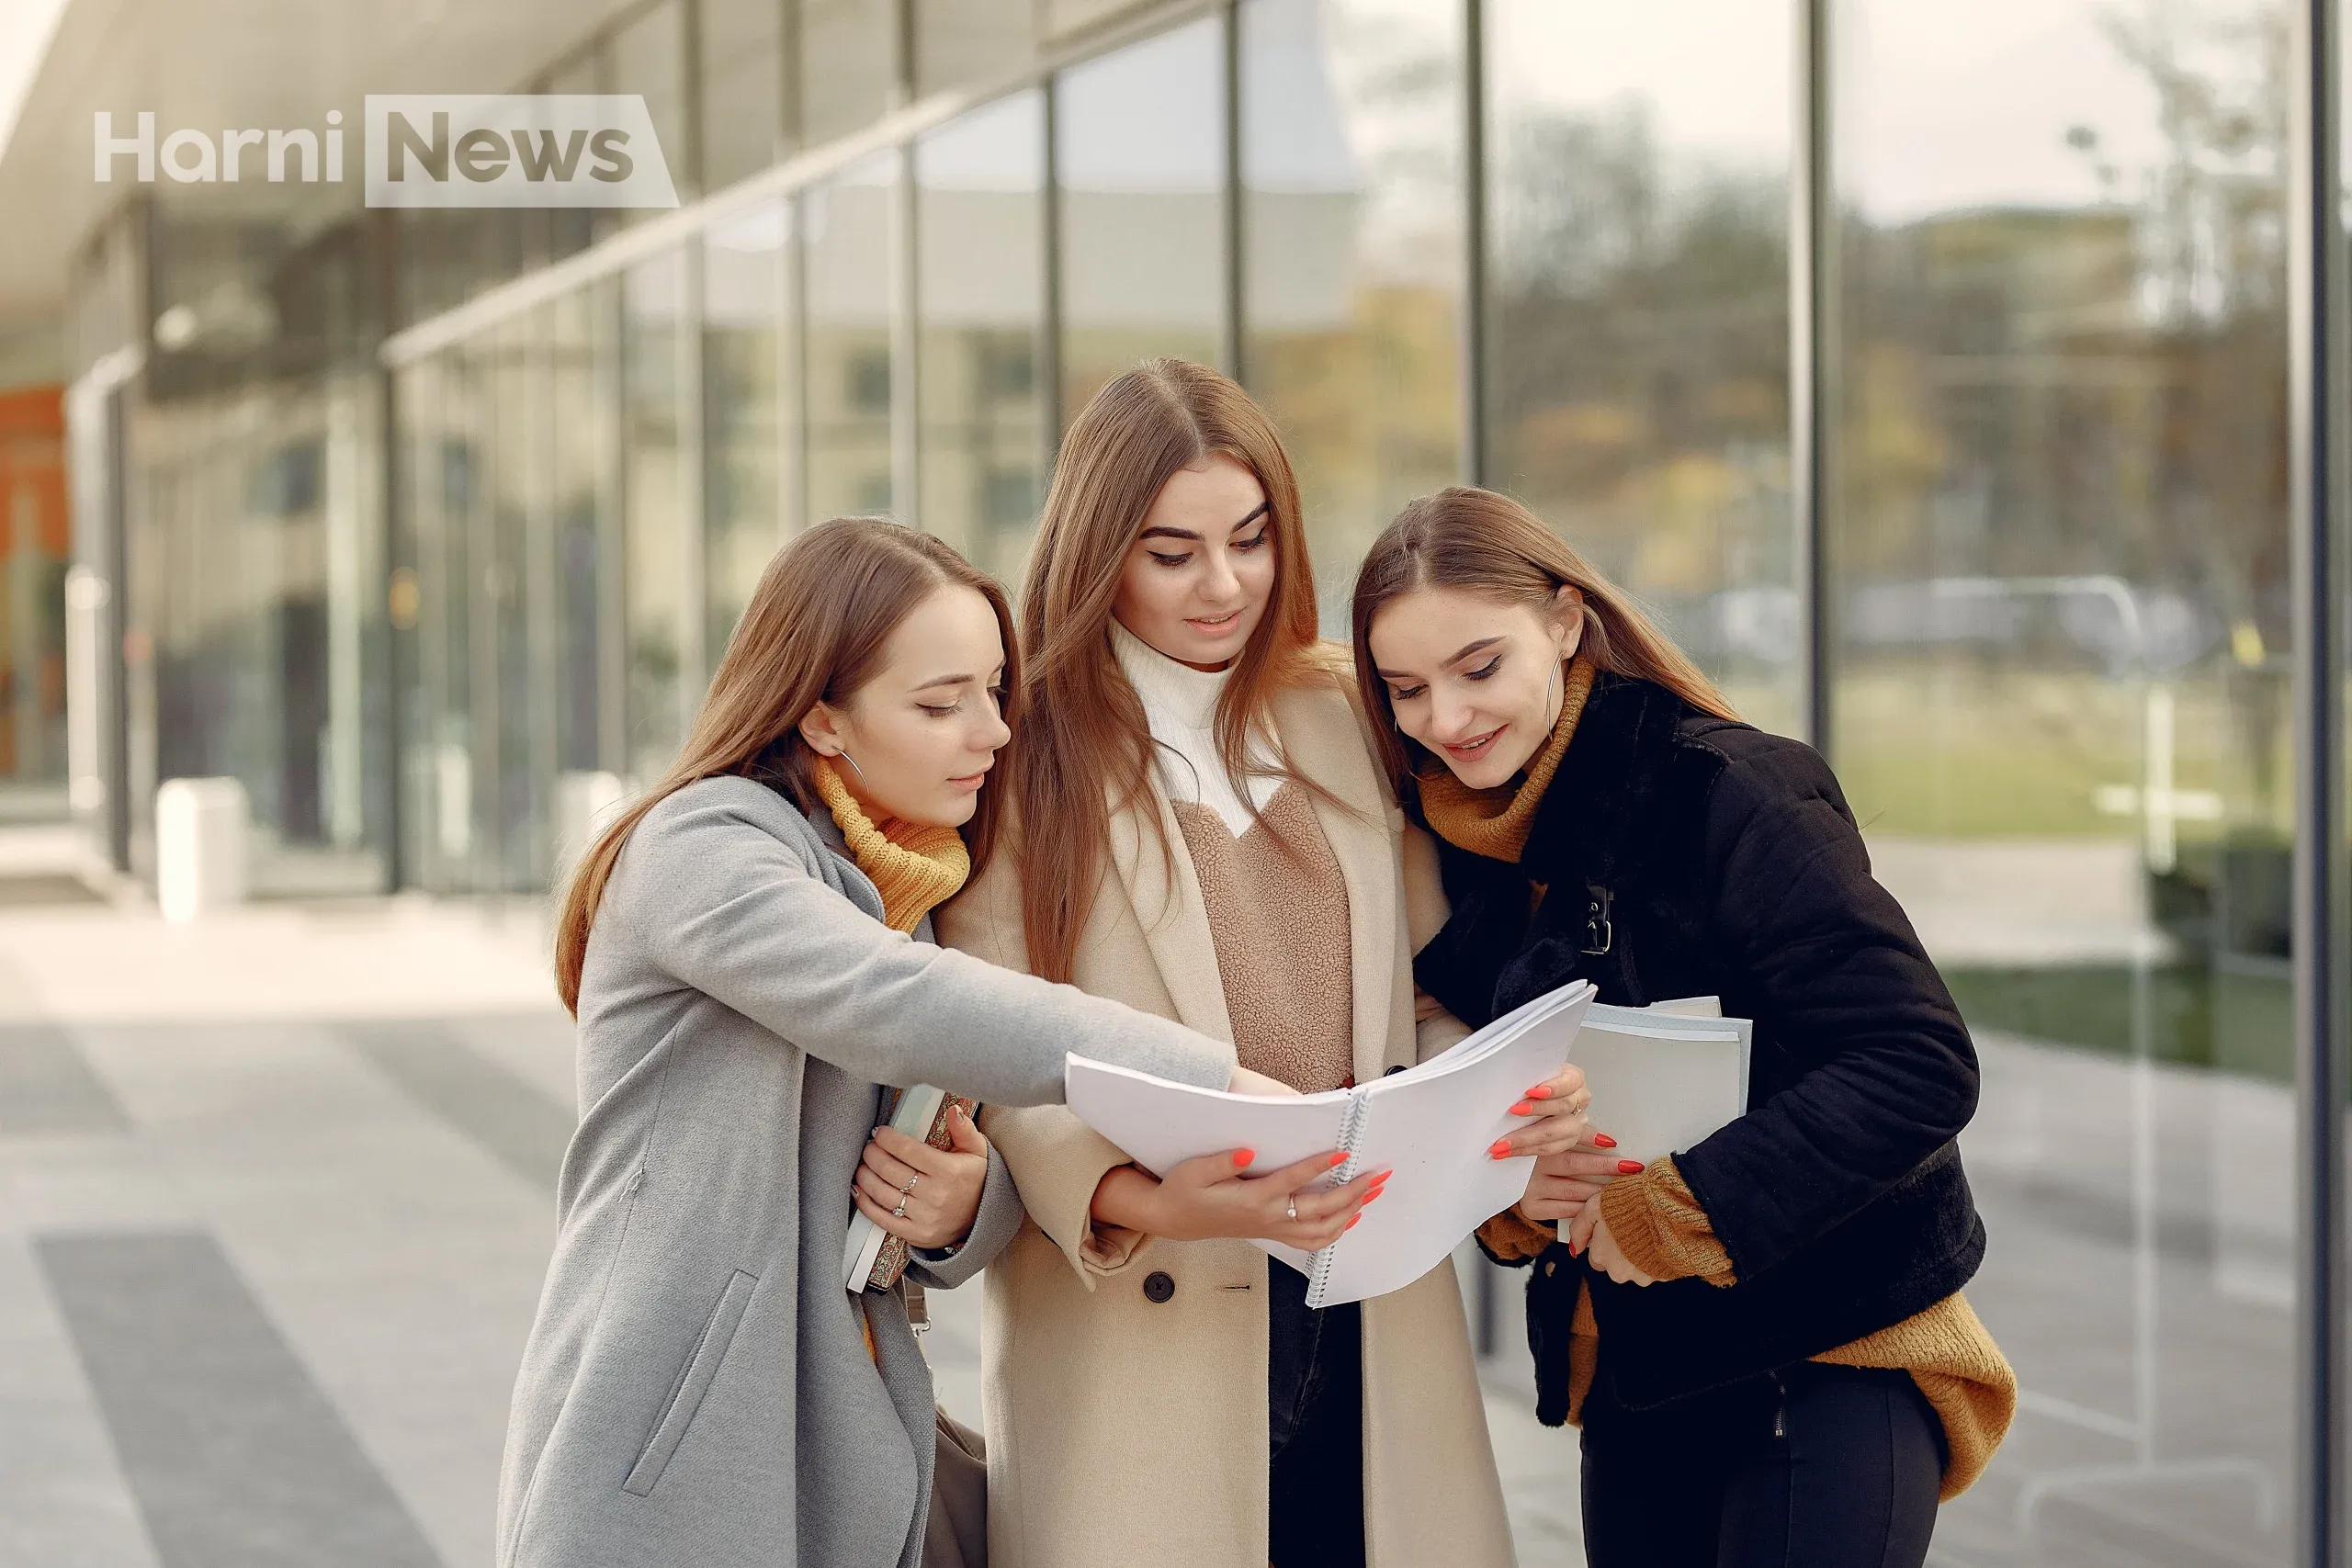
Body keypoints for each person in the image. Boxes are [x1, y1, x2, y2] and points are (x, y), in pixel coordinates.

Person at [494, 517, 1296, 1568]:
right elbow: (898, 1001)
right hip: (672, 1449)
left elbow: (907, 1175)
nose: (993, 732)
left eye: (992, 691)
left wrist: (969, 1205)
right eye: (939, 703)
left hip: (842, 1431)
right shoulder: (702, 850)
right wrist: (1220, 1082)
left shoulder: (903, 889)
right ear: (822, 719)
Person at [934, 361, 1589, 1568]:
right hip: (1146, 1305)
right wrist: (1155, 1199)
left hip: (1370, 1291)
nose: (1224, 584)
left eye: (1250, 539)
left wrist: (1485, 1102)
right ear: (1097, 550)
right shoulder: (1020, 750)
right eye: (1171, 551)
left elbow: (1427, 987)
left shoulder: (1350, 716)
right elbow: (989, 1048)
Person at [1350, 487, 2018, 1568]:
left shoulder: (1726, 791)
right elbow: (1492, 1081)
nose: (1446, 718)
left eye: (1479, 668)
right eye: (1406, 689)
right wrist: (1518, 1189)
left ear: (1565, 622)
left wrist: (1675, 1206)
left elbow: (1918, 1063)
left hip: (1828, 1360)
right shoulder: (1466, 849)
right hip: (1641, 1374)